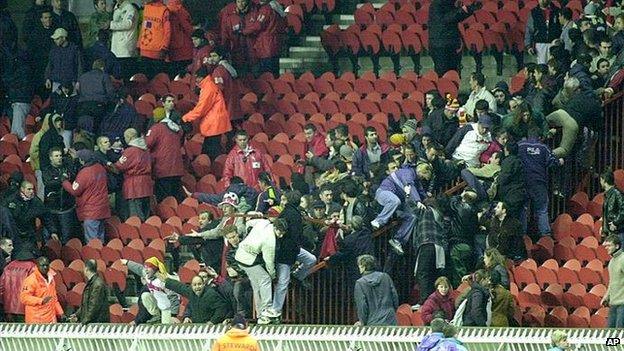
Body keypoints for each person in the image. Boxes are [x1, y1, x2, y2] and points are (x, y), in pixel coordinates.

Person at [235, 217, 282, 324]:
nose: (281, 235)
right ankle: (266, 310)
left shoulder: (264, 222)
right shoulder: (270, 241)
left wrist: (248, 234)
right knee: (265, 279)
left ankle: (261, 315)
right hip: (248, 260)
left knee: (256, 285)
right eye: (280, 233)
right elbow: (269, 262)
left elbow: (249, 223)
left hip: (240, 254)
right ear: (276, 228)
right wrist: (273, 275)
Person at [371, 165, 427, 255]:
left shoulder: (416, 180)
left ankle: (397, 240)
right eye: (423, 176)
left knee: (412, 217)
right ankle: (378, 221)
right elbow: (409, 185)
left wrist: (427, 199)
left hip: (394, 205)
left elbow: (420, 191)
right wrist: (418, 201)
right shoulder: (407, 172)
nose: (423, 179)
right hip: (383, 192)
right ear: (421, 172)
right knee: (395, 201)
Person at [518, 127, 563, 237]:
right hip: (539, 183)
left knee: (523, 208)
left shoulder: (520, 146)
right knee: (542, 210)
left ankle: (522, 236)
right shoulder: (543, 147)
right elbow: (552, 162)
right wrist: (560, 162)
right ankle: (545, 237)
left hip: (523, 182)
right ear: (540, 137)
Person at [182, 66, 232, 160]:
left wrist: (186, 117)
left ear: (201, 77)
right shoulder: (209, 86)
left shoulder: (208, 88)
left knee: (211, 151)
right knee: (211, 149)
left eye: (197, 77)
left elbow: (201, 109)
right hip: (216, 122)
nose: (196, 80)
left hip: (214, 123)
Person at [62, 149, 110, 242]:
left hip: (91, 210)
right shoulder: (100, 167)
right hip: (102, 208)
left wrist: (64, 181)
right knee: (100, 239)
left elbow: (75, 191)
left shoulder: (85, 172)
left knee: (92, 242)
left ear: (82, 160)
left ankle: (95, 256)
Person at [0, 180, 58, 255]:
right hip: (14, 234)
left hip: (29, 234)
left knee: (32, 255)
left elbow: (46, 216)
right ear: (22, 189)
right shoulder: (11, 200)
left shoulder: (36, 202)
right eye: (29, 189)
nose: (31, 191)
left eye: (32, 189)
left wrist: (52, 231)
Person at [428, 0, 481, 75]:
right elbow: (447, 19)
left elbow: (455, 17)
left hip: (449, 43)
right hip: (441, 45)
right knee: (443, 75)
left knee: (452, 74)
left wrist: (469, 9)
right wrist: (462, 10)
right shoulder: (437, 4)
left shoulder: (448, 3)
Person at [146, 104, 185, 202]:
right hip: (177, 167)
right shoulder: (175, 128)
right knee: (176, 196)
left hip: (162, 167)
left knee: (165, 199)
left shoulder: (156, 128)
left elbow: (147, 144)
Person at [123, 257, 179, 324]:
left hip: (169, 307)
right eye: (145, 267)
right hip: (160, 304)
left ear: (155, 269)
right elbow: (138, 268)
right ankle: (156, 316)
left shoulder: (163, 280)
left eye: (148, 267)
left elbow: (174, 297)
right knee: (145, 295)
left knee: (166, 327)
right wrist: (126, 262)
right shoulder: (148, 275)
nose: (146, 270)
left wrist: (173, 315)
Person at [115, 128, 153, 221]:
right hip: (146, 185)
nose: (125, 139)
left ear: (129, 137)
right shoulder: (146, 149)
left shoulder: (130, 151)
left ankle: (139, 234)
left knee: (136, 216)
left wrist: (107, 164)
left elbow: (119, 166)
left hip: (134, 186)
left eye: (125, 137)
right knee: (146, 212)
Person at [160, 273, 230, 324]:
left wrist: (212, 321)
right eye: (194, 285)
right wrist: (187, 317)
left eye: (199, 284)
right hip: (197, 325)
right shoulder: (191, 292)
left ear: (204, 284)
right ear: (191, 286)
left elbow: (222, 308)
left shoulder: (211, 294)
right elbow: (180, 287)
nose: (197, 287)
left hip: (210, 326)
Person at [42, 147, 78, 243]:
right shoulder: (47, 170)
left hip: (66, 208)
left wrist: (75, 160)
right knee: (50, 236)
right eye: (56, 156)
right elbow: (48, 182)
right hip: (52, 208)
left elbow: (75, 177)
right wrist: (62, 179)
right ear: (51, 158)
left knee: (67, 235)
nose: (59, 158)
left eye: (60, 155)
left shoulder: (67, 167)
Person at [242, 0, 286, 77]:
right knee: (274, 73)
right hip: (275, 44)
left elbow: (258, 25)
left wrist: (244, 31)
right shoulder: (277, 8)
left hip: (266, 46)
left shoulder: (266, 9)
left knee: (266, 74)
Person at [354, 254, 398, 326]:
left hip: (372, 321)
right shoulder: (385, 277)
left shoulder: (360, 283)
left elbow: (362, 305)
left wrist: (362, 321)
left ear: (363, 266)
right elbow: (395, 298)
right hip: (390, 319)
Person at [20, 256, 64, 324]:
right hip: (36, 320)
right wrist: (41, 301)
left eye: (47, 265)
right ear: (37, 266)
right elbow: (24, 298)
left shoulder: (51, 278)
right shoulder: (30, 280)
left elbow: (54, 299)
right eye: (42, 265)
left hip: (50, 319)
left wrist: (61, 313)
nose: (45, 267)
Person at [77, 58, 115, 131]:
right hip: (98, 106)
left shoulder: (82, 77)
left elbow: (78, 90)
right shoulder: (104, 76)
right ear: (102, 68)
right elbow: (110, 92)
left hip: (83, 106)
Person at [0, 249, 37, 322]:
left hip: (8, 308)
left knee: (11, 331)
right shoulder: (32, 267)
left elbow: (1, 287)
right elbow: (35, 287)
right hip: (25, 308)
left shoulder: (8, 266)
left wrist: (3, 304)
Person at [206, 46, 241, 122]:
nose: (212, 58)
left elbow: (219, 89)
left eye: (214, 56)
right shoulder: (229, 68)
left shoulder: (218, 71)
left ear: (220, 56)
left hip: (226, 107)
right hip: (234, 107)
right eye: (211, 56)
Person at [69, 259, 109, 324]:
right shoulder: (93, 283)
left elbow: (94, 306)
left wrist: (84, 321)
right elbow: (86, 304)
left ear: (86, 269)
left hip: (96, 324)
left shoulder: (97, 284)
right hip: (94, 322)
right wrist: (77, 314)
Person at [138, 0, 171, 78]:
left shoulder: (163, 10)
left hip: (157, 51)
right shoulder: (147, 8)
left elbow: (167, 30)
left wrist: (164, 46)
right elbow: (144, 26)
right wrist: (139, 43)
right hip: (145, 49)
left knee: (154, 79)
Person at [26, 7, 56, 88]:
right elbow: (31, 52)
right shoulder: (35, 34)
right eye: (45, 18)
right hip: (39, 66)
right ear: (41, 19)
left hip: (53, 66)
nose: (48, 20)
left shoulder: (56, 31)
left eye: (50, 17)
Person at [45, 28, 82, 92]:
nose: (54, 40)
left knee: (70, 100)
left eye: (57, 39)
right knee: (57, 100)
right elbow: (50, 64)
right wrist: (47, 78)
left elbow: (79, 65)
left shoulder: (74, 49)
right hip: (57, 82)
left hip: (71, 82)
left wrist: (78, 81)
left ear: (64, 38)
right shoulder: (54, 50)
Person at [110, 0, 139, 80]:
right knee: (118, 78)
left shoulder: (130, 9)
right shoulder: (116, 8)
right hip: (116, 49)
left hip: (125, 50)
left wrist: (110, 24)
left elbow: (128, 23)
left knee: (126, 77)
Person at [525, 0, 561, 64]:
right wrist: (528, 46)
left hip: (554, 43)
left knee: (554, 66)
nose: (543, 1)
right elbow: (529, 30)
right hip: (540, 44)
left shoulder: (556, 11)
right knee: (542, 66)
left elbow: (561, 27)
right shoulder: (534, 12)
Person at [166, 0, 193, 77]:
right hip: (184, 50)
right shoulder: (181, 11)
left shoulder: (165, 10)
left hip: (171, 50)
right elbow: (189, 29)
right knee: (185, 78)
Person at [602, 234, 624, 328]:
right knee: (611, 335)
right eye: (606, 246)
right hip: (614, 303)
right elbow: (612, 281)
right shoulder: (612, 261)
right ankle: (612, 344)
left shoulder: (623, 259)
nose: (606, 248)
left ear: (617, 246)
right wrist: (606, 296)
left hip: (622, 304)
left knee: (620, 335)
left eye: (609, 245)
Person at [601, 169, 624, 242]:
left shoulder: (617, 193)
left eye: (601, 180)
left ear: (604, 181)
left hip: (617, 231)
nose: (600, 182)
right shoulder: (608, 194)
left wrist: (615, 222)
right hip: (611, 230)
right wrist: (604, 227)